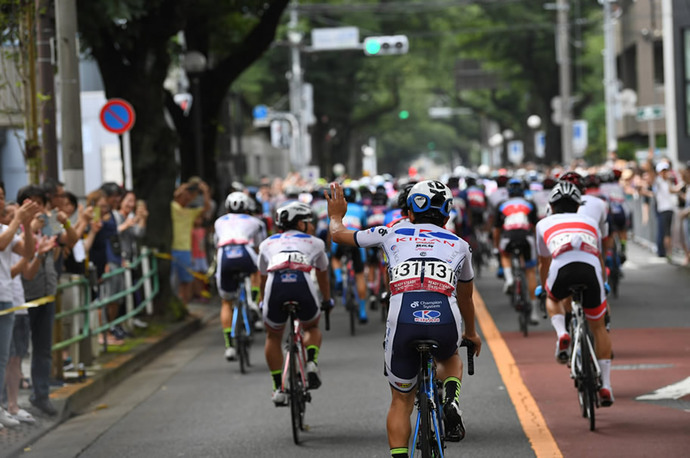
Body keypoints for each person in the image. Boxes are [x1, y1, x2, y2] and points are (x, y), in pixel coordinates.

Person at [327, 181, 481, 458]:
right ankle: (451, 399)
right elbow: (466, 298)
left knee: (400, 401)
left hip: (403, 319)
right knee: (450, 357)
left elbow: (338, 235)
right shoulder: (461, 245)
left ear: (409, 212)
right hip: (444, 317)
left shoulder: (390, 232)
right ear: (447, 216)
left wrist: (337, 215)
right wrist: (472, 333)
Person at [535, 181, 614, 406]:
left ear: (551, 205)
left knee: (552, 298)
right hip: (591, 272)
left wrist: (544, 288)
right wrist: (603, 283)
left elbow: (544, 262)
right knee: (598, 326)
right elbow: (598, 257)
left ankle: (561, 333)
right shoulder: (589, 221)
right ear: (578, 205)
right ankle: (606, 385)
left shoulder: (543, 223)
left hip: (562, 269)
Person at [258, 201, 332, 405]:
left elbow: (263, 278)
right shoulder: (315, 242)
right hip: (302, 283)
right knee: (312, 326)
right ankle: (311, 362)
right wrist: (327, 300)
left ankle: (278, 388)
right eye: (309, 222)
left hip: (275, 285)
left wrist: (262, 302)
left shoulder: (266, 243)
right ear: (300, 224)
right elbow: (323, 276)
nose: (313, 226)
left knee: (273, 335)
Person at [0, 186, 40, 427]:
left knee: (4, 357)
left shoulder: (7, 227)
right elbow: (2, 243)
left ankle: (3, 406)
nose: (1, 201)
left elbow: (27, 251)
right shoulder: (6, 229)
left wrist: (26, 227)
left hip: (6, 298)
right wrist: (17, 219)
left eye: (2, 197)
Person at [214, 192, 266, 361]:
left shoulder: (219, 222)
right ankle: (254, 302)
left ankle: (229, 345)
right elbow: (260, 246)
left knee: (226, 301)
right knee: (258, 270)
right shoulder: (255, 222)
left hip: (225, 254)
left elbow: (217, 244)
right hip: (245, 251)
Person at [493, 178, 541, 324]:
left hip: (508, 236)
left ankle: (509, 279)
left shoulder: (501, 205)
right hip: (526, 236)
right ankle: (533, 312)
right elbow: (535, 227)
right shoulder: (530, 204)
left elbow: (497, 230)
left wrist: (496, 247)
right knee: (530, 271)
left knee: (505, 254)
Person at [330, 186, 370, 323]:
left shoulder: (337, 208)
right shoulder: (360, 209)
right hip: (355, 238)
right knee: (359, 275)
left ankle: (339, 278)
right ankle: (363, 311)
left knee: (335, 258)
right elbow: (365, 227)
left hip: (340, 238)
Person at [171, 180, 211, 306]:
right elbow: (175, 196)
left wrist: (205, 191)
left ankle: (184, 306)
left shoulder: (191, 213)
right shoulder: (173, 206)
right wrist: (185, 187)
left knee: (187, 281)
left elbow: (207, 207)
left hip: (186, 250)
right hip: (172, 249)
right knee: (173, 282)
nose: (188, 197)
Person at [652, 162, 682, 261]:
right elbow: (670, 190)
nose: (665, 173)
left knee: (669, 232)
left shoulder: (668, 181)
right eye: (663, 171)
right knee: (665, 232)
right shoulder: (658, 181)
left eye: (666, 170)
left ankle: (668, 252)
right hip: (663, 210)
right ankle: (666, 252)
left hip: (670, 209)